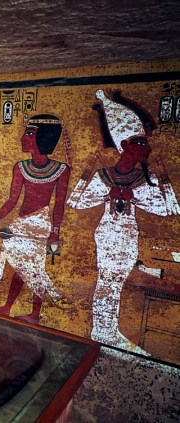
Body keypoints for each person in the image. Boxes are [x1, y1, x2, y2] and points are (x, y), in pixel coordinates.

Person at [67, 89, 177, 354]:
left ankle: (106, 330)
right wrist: (104, 189)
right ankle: (103, 331)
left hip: (128, 236)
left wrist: (143, 190)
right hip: (107, 234)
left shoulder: (145, 179)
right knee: (107, 282)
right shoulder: (104, 175)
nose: (146, 148)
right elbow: (77, 202)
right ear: (125, 146)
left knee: (114, 283)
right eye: (140, 143)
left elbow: (169, 210)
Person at [0, 114, 71, 324]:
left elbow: (59, 204)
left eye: (29, 133)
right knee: (19, 267)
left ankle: (35, 314)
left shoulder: (61, 170)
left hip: (41, 224)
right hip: (21, 224)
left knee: (36, 269)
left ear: (43, 137)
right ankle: (8, 307)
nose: (22, 138)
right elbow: (12, 201)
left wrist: (55, 233)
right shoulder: (20, 167)